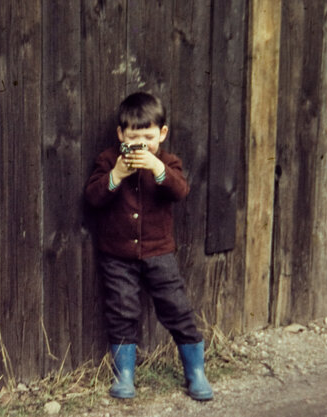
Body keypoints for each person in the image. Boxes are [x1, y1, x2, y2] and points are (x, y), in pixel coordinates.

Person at [84, 92, 213, 401]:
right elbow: (93, 197)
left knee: (177, 309)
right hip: (117, 255)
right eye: (133, 137)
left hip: (159, 253)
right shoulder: (107, 160)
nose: (141, 143)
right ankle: (125, 376)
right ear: (120, 135)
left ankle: (195, 372)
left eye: (149, 137)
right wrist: (116, 175)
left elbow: (180, 191)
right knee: (121, 311)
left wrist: (156, 167)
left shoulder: (167, 161)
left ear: (162, 134)